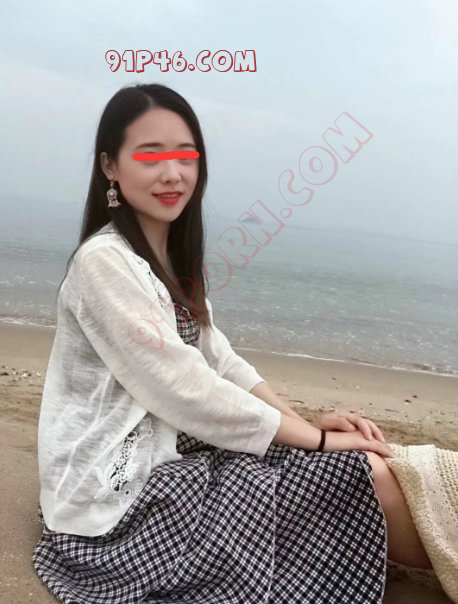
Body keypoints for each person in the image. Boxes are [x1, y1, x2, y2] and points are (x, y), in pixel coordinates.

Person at [31, 83, 430, 604]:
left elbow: (220, 361)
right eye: (150, 156)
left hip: (180, 452)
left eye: (185, 156)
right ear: (110, 165)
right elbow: (184, 386)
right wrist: (317, 442)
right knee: (362, 475)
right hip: (119, 503)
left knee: (378, 464)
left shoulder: (168, 263)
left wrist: (305, 426)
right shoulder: (103, 262)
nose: (172, 173)